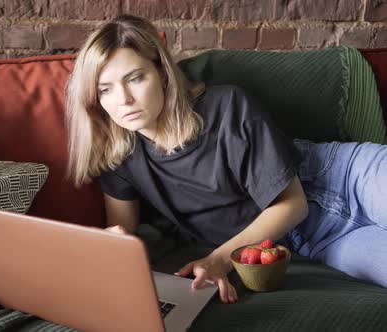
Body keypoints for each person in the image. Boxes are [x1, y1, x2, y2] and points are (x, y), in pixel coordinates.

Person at [65, 14, 387, 304]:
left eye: (135, 78)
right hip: (318, 240)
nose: (123, 100)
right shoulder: (121, 159)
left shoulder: (226, 107)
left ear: (162, 73)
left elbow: (293, 203)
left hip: (346, 176)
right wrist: (106, 246)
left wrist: (218, 258)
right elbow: (121, 233)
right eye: (105, 89)